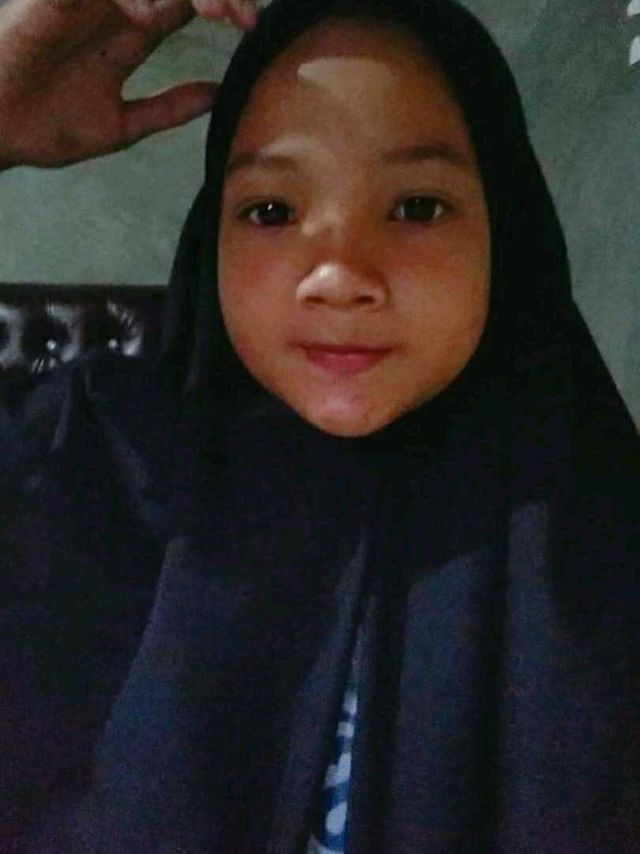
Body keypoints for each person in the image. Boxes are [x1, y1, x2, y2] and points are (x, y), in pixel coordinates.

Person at [0, 0, 638, 852]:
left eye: (418, 206)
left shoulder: (602, 534)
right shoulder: (84, 455)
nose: (338, 275)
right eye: (270, 211)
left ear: (507, 229)